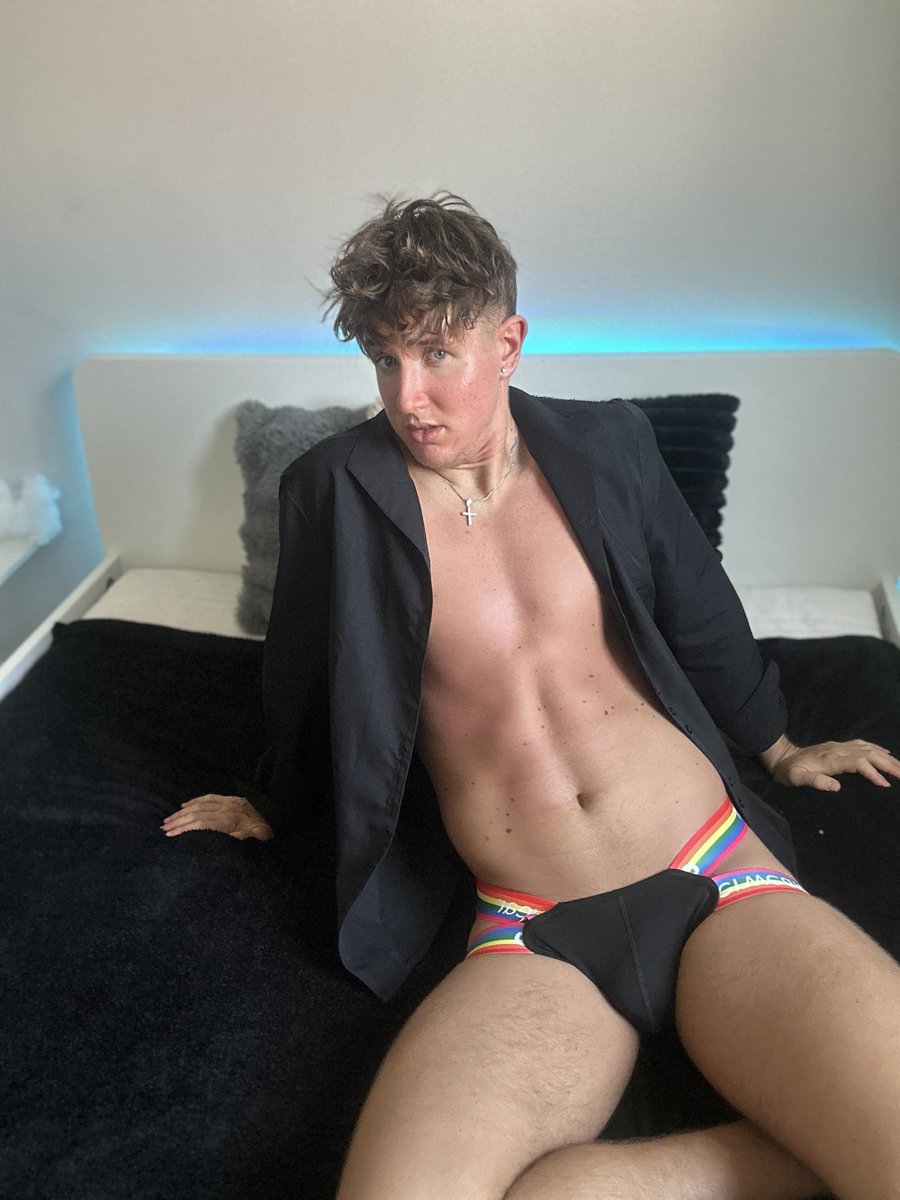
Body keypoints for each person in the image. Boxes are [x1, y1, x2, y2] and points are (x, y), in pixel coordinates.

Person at [162, 194, 900, 1199]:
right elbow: (301, 674)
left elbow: (698, 609)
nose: (408, 395)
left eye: (437, 354)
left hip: (716, 871)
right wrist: (272, 798)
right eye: (385, 359)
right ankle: (747, 1158)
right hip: (529, 922)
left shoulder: (610, 446)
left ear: (507, 343)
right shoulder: (330, 492)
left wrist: (778, 747)